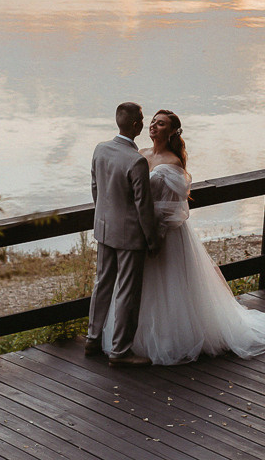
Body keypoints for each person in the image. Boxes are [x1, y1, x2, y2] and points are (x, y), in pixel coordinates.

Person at [102, 109, 265, 365]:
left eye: (161, 123)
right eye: (153, 122)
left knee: (169, 288)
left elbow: (172, 208)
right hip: (137, 230)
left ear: (171, 132)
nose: (154, 126)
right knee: (137, 288)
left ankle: (169, 339)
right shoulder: (139, 154)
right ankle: (130, 340)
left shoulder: (173, 163)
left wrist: (155, 237)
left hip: (164, 235)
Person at [86, 102, 162, 368]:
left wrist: (104, 217)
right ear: (134, 125)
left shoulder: (100, 149)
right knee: (127, 292)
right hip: (130, 235)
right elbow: (144, 207)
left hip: (105, 229)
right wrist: (152, 240)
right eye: (141, 118)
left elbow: (95, 188)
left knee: (102, 284)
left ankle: (92, 338)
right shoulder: (136, 161)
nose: (144, 122)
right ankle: (120, 352)